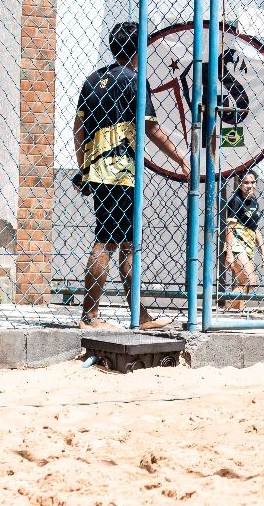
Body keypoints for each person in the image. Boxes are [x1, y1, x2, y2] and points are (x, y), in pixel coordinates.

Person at [74, 21, 190, 330]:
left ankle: (139, 316)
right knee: (106, 242)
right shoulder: (135, 81)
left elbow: (79, 129)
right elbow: (152, 129)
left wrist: (84, 168)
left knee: (125, 243)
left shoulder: (92, 80)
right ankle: (90, 316)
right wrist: (182, 159)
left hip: (98, 170)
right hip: (122, 173)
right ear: (138, 49)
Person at [219, 169, 264, 312]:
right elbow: (229, 228)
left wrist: (263, 252)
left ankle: (234, 312)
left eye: (253, 182)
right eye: (246, 182)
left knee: (243, 282)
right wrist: (229, 254)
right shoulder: (236, 201)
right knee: (250, 280)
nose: (250, 186)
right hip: (236, 245)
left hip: (248, 246)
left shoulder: (254, 202)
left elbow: (255, 229)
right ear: (240, 184)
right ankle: (225, 307)